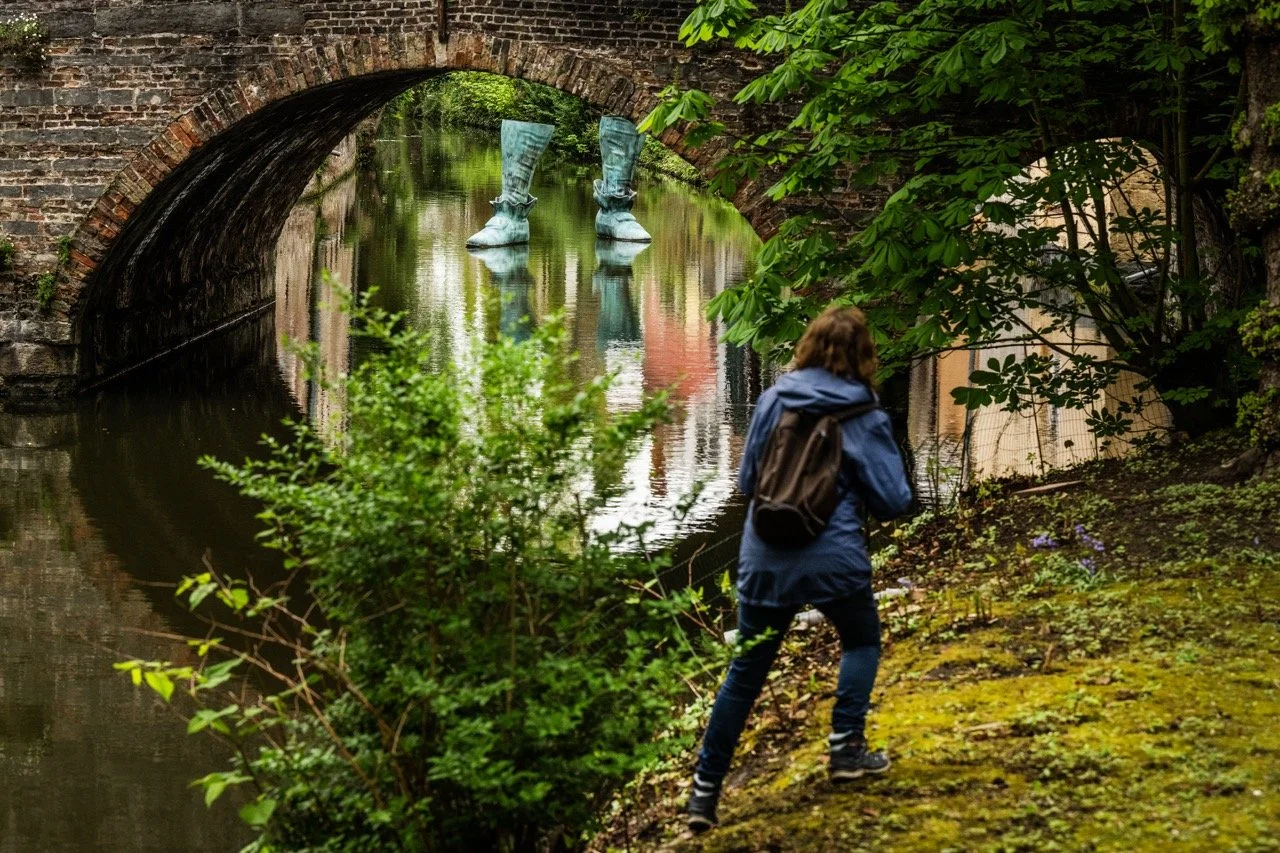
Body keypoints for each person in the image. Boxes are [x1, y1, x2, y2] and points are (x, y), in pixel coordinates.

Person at [686, 306, 914, 833]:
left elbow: (747, 481)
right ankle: (845, 749)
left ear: (807, 346)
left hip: (766, 557)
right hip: (834, 558)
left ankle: (703, 793)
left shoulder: (772, 399)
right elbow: (895, 500)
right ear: (864, 356)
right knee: (860, 642)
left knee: (744, 676)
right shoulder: (863, 413)